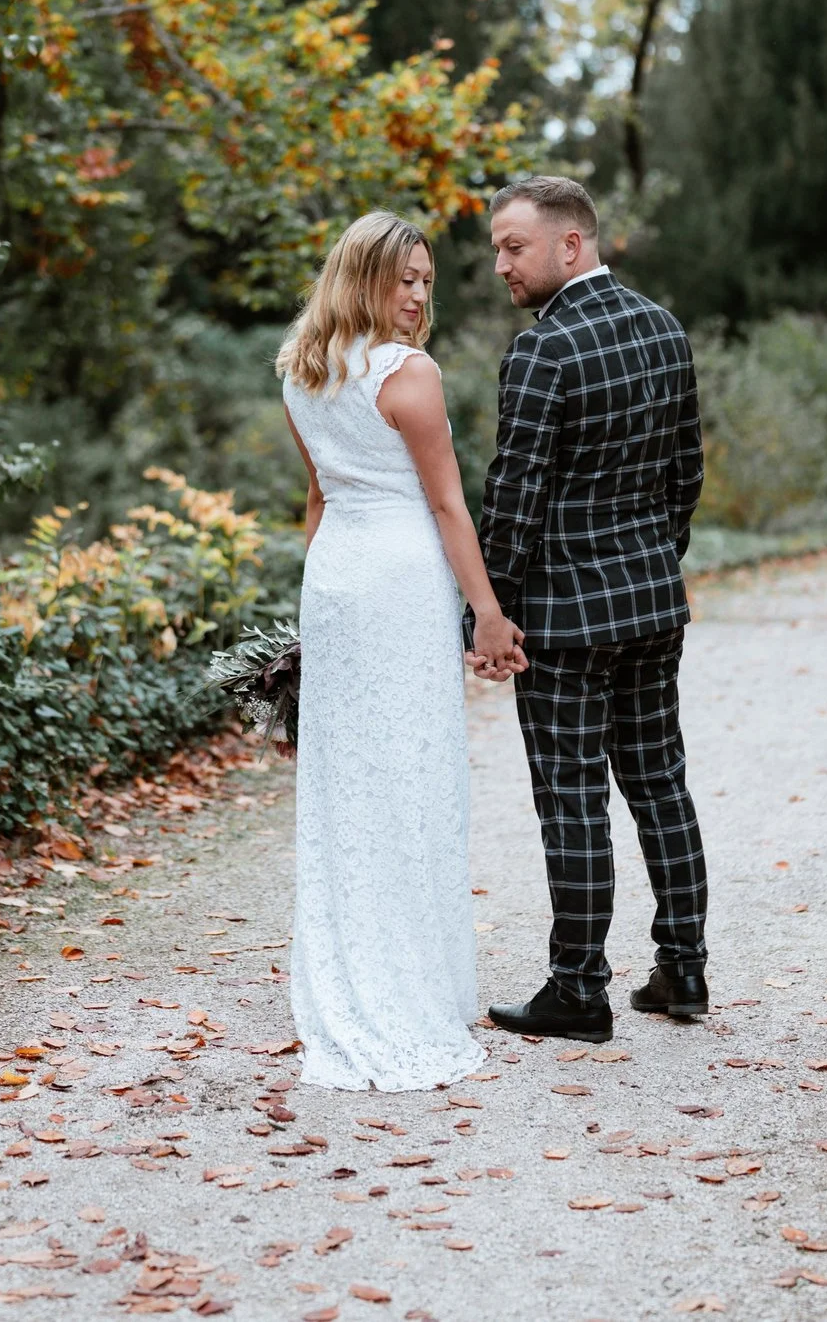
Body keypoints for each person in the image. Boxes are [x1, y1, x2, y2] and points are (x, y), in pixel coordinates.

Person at [278, 210, 520, 1091]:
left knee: (353, 775)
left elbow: (315, 502)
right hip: (398, 579)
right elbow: (451, 507)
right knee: (409, 771)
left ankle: (370, 961)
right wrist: (486, 615)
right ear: (363, 277)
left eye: (425, 280)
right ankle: (403, 981)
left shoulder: (303, 370)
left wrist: (313, 613)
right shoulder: (409, 376)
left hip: (337, 575)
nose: (418, 296)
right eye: (403, 279)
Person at [474, 176, 710, 1044]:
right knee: (659, 783)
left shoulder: (544, 352)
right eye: (499, 246)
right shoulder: (664, 328)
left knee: (571, 796)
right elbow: (686, 473)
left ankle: (579, 990)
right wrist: (651, 560)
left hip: (564, 619)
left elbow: (515, 496)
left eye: (514, 245)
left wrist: (491, 611)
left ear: (570, 245)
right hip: (652, 603)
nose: (501, 263)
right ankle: (683, 968)